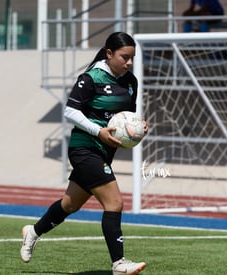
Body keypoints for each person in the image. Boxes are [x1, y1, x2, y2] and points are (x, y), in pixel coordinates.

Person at [20, 31, 148, 275]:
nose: (129, 63)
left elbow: (125, 118)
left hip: (105, 152)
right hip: (84, 149)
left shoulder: (131, 82)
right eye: (124, 57)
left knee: (69, 204)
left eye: (132, 58)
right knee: (115, 202)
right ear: (109, 54)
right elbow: (70, 112)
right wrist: (98, 131)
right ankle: (119, 264)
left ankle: (33, 232)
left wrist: (139, 126)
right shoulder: (91, 78)